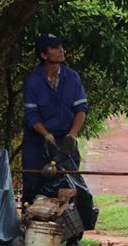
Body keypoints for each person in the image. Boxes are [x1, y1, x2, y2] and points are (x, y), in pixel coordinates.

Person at [21, 34, 88, 205]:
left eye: (61, 47)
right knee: (32, 185)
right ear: (44, 55)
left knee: (69, 186)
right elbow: (31, 116)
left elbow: (80, 109)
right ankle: (29, 225)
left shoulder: (72, 78)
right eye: (54, 48)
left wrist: (72, 135)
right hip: (36, 141)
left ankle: (67, 229)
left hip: (65, 140)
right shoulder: (33, 82)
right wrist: (46, 134)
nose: (61, 50)